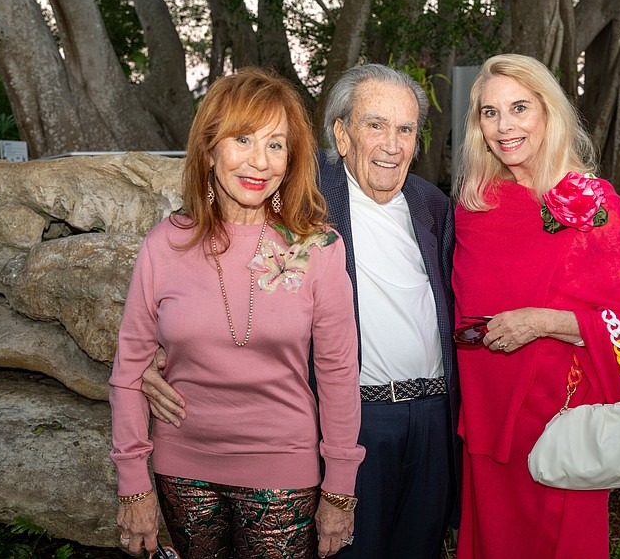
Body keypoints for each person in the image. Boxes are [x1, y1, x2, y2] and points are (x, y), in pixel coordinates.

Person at [142, 63, 459, 559]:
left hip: (432, 418)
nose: (392, 145)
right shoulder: (300, 205)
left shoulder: (432, 205)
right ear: (343, 134)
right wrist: (151, 359)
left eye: (406, 129)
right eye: (375, 125)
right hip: (355, 421)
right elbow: (206, 276)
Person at [109, 67, 365, 559]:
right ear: (208, 150)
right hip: (180, 470)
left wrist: (340, 488)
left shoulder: (319, 248)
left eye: (276, 144)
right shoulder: (165, 244)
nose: (260, 161)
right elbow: (128, 371)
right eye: (242, 139)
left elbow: (337, 375)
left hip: (284, 472)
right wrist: (133, 486)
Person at [451, 54, 620, 558]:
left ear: (549, 113)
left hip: (564, 428)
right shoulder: (475, 206)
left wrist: (541, 322)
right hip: (488, 423)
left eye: (519, 107)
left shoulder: (592, 203)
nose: (504, 126)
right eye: (490, 112)